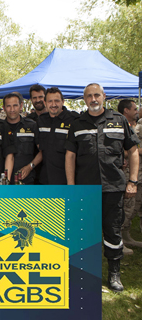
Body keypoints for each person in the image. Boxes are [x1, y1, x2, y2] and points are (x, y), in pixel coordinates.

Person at [66, 83, 139, 292]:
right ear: (84, 99)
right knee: (86, 233)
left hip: (113, 187)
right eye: (89, 96)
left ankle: (114, 274)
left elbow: (133, 151)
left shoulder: (119, 120)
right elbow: (70, 156)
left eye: (97, 94)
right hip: (85, 189)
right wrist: (72, 186)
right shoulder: (78, 123)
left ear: (104, 96)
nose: (93, 99)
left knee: (113, 233)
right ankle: (88, 274)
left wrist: (132, 181)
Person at [37, 87, 79, 185]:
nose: (53, 105)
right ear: (45, 103)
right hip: (45, 180)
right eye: (50, 101)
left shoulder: (74, 120)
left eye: (57, 101)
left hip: (67, 180)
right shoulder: (41, 121)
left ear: (63, 102)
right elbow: (39, 149)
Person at [118, 99, 142, 254]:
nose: (137, 111)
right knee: (126, 207)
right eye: (134, 109)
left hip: (138, 173)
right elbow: (120, 150)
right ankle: (117, 239)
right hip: (126, 173)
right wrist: (137, 151)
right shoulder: (120, 127)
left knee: (135, 205)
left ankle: (127, 236)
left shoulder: (135, 126)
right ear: (126, 110)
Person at [3, 92, 41, 184]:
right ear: (4, 108)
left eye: (15, 105)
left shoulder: (32, 126)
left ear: (21, 106)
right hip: (3, 181)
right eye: (8, 106)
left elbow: (42, 151)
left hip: (26, 180)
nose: (12, 109)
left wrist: (30, 166)